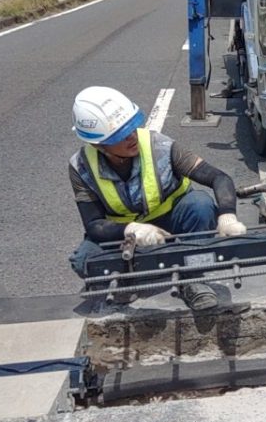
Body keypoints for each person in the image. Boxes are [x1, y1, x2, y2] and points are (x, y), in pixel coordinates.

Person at [68, 86, 248, 310]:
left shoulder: (159, 146)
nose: (132, 136)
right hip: (127, 232)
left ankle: (191, 279)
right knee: (83, 261)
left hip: (174, 221)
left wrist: (227, 214)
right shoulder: (81, 166)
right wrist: (130, 230)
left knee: (200, 205)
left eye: (132, 127)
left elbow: (218, 177)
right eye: (120, 136)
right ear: (98, 144)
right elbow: (93, 225)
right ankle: (128, 278)